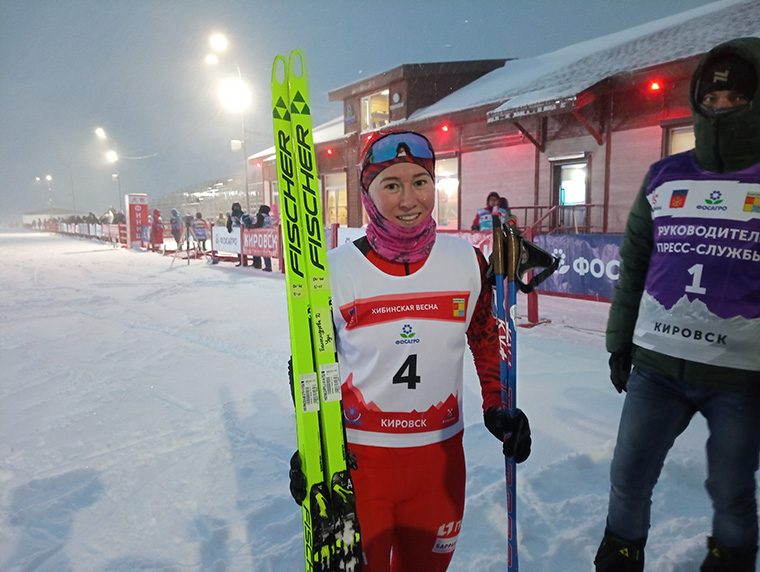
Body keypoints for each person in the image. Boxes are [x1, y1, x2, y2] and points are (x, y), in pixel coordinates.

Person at [290, 131, 532, 571]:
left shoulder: (466, 262)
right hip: (361, 464)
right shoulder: (334, 271)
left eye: (420, 182)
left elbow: (484, 338)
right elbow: (309, 364)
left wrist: (499, 407)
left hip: (438, 462)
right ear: (367, 193)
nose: (408, 200)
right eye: (391, 185)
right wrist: (313, 446)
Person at [594, 37, 760, 572]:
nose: (722, 107)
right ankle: (620, 555)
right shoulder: (666, 175)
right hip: (657, 368)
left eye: (736, 98)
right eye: (713, 99)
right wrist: (620, 340)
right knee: (628, 477)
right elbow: (635, 263)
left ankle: (730, 560)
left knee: (732, 491)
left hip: (741, 376)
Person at [252, 204, 273, 271]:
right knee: (266, 251)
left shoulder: (261, 215)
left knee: (258, 250)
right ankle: (268, 266)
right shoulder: (268, 216)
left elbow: (259, 224)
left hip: (261, 235)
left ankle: (258, 264)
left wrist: (251, 226)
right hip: (268, 234)